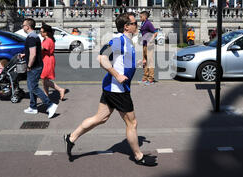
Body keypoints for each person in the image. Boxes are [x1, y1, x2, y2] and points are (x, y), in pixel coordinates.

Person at [63, 12, 158, 167]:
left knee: (101, 118)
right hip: (117, 89)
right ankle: (138, 156)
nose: (137, 25)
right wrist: (117, 75)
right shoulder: (118, 40)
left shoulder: (128, 41)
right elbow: (101, 58)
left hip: (113, 87)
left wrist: (138, 63)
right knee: (132, 123)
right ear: (126, 26)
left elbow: (121, 61)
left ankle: (71, 138)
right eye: (134, 23)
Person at [19, 18, 55, 117]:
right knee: (31, 87)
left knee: (33, 87)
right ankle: (33, 107)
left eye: (23, 25)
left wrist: (29, 65)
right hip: (37, 65)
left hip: (34, 67)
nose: (22, 27)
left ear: (27, 26)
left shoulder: (31, 38)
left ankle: (50, 105)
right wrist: (24, 55)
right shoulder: (35, 36)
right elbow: (34, 51)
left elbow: (33, 54)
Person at [40, 24, 67, 101]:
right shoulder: (45, 40)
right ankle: (46, 96)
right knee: (45, 80)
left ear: (46, 32)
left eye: (42, 32)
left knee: (44, 79)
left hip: (48, 60)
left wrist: (34, 44)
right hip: (46, 59)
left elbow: (43, 49)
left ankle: (60, 89)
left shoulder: (48, 40)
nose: (40, 33)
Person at [140, 11, 157, 85]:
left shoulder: (148, 23)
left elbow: (155, 32)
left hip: (149, 45)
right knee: (144, 61)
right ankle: (145, 77)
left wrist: (150, 40)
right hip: (144, 44)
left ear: (145, 16)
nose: (140, 18)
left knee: (150, 61)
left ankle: (151, 78)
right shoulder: (143, 23)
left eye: (141, 17)